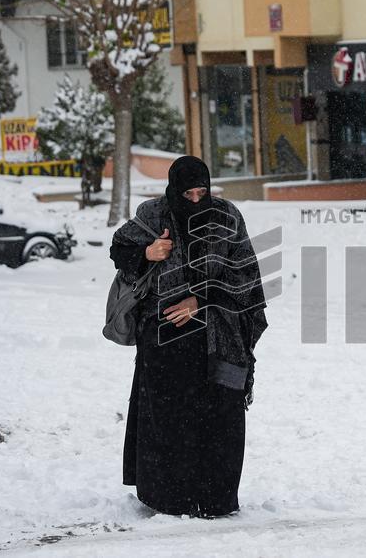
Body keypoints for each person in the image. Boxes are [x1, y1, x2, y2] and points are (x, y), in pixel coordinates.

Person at [110, 156, 268, 518]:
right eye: (188, 193)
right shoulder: (154, 215)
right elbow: (119, 249)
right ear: (173, 191)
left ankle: (215, 500)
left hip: (220, 338)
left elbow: (246, 276)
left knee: (221, 419)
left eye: (202, 192)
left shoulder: (227, 217)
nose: (196, 200)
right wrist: (147, 252)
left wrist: (201, 299)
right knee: (169, 421)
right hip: (165, 339)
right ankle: (170, 499)